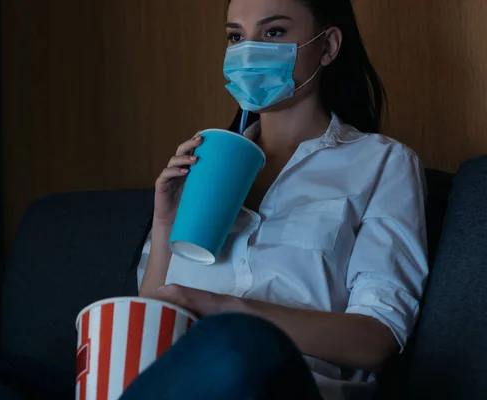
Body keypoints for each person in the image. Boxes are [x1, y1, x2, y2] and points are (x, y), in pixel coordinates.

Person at [125, 0, 428, 399]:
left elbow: (375, 341)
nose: (248, 51)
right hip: (176, 381)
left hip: (284, 382)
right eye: (236, 37)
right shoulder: (202, 162)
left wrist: (222, 309)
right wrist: (165, 223)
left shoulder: (382, 163)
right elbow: (147, 330)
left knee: (238, 345)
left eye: (272, 33)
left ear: (329, 46)